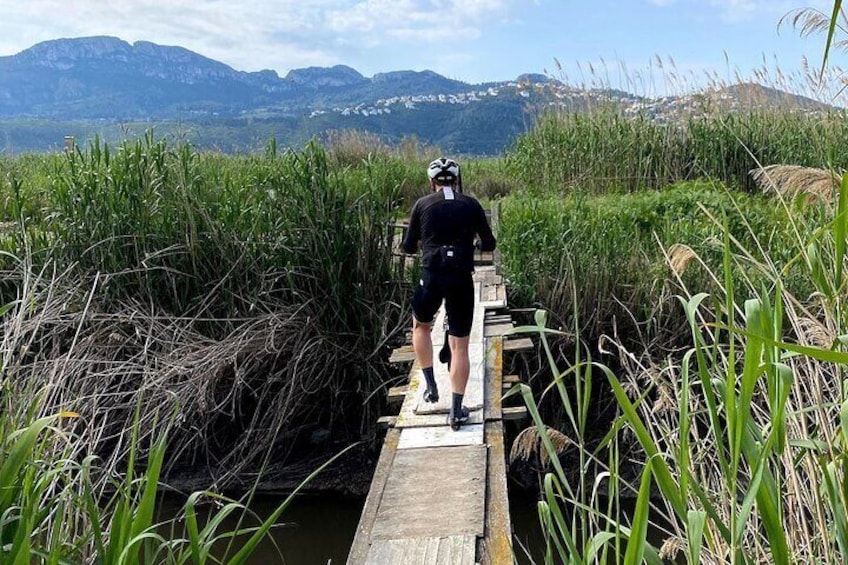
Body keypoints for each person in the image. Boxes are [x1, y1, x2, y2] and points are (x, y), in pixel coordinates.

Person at [401, 157, 497, 430]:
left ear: (432, 182)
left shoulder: (422, 204)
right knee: (460, 346)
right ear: (456, 180)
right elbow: (489, 243)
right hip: (460, 280)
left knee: (420, 325)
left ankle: (431, 386)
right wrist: (475, 243)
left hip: (431, 276)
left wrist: (424, 240)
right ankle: (456, 411)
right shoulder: (470, 204)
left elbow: (408, 246)